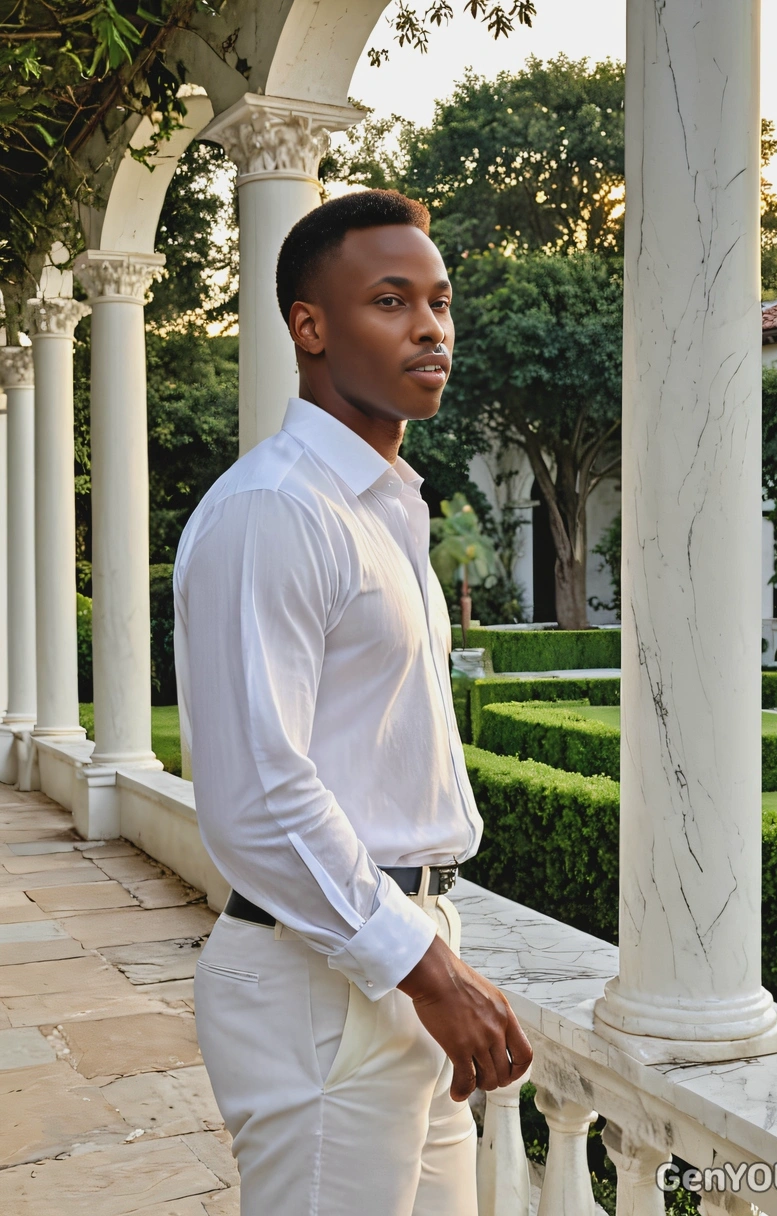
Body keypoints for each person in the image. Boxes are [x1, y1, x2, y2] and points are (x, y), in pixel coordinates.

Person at [173, 188, 532, 1216]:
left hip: (395, 945)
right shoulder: (274, 510)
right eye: (390, 299)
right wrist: (430, 973)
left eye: (441, 301)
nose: (430, 326)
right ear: (311, 326)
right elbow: (260, 798)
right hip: (317, 980)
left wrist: (430, 957)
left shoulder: (381, 510)